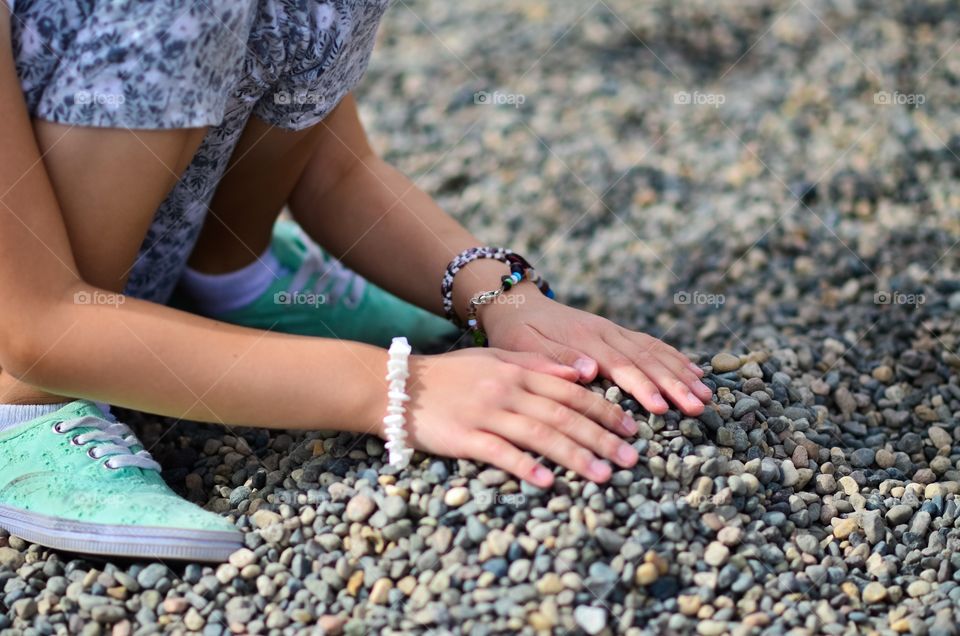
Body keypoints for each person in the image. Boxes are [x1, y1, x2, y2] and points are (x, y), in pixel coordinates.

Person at [0, 0, 712, 561]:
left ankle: (227, 277)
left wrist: (504, 297)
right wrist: (397, 388)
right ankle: (24, 412)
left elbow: (337, 170)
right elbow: (35, 325)